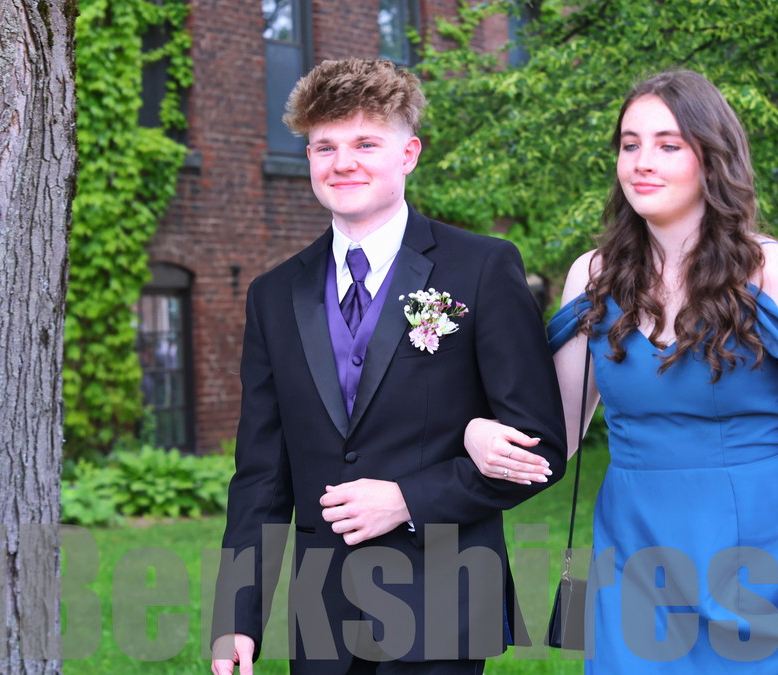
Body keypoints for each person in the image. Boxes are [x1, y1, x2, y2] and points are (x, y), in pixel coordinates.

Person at [464, 70, 778, 672]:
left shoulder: (769, 273)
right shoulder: (593, 278)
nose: (642, 162)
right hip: (635, 553)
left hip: (764, 553)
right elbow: (555, 437)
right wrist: (475, 431)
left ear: (712, 158)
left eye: (668, 145)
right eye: (630, 144)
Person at [210, 58, 567, 675]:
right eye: (325, 146)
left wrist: (407, 500)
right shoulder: (274, 295)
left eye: (365, 143)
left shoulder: (481, 268)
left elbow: (540, 450)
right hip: (321, 615)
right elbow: (262, 475)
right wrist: (236, 617)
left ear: (409, 154)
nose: (342, 162)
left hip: (442, 602)